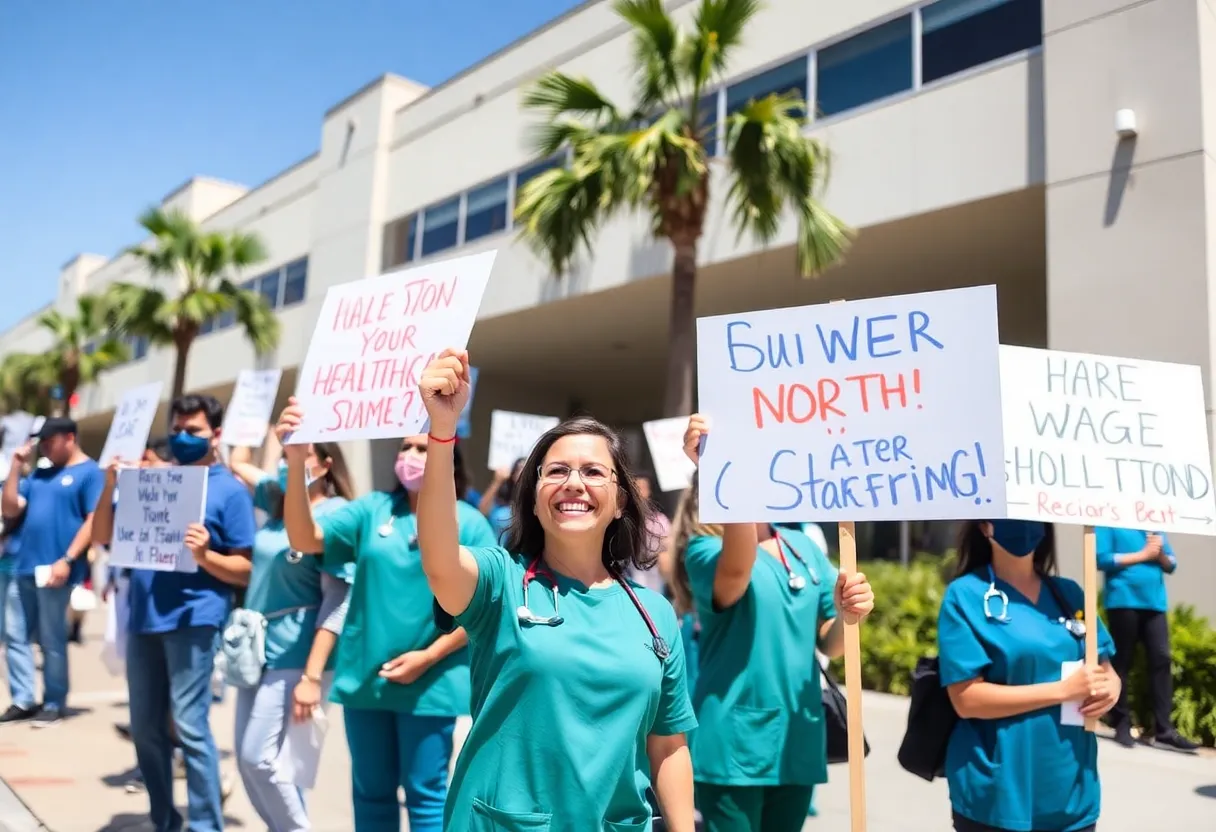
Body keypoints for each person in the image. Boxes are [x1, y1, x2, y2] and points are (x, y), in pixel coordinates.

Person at [416, 349, 697, 832]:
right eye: (556, 471)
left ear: (619, 501)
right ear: (535, 496)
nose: (574, 483)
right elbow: (441, 562)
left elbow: (668, 744)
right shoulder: (501, 584)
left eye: (592, 472)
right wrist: (442, 431)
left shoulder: (655, 614)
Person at [276, 397, 497, 832]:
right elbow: (305, 535)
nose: (412, 457)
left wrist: (428, 657)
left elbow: (486, 608)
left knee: (427, 798)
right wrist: (297, 458)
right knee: (370, 795)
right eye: (405, 448)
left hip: (431, 685)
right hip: (366, 682)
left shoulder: (469, 522)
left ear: (446, 452)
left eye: (422, 447)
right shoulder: (373, 510)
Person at [671, 414, 874, 832]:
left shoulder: (803, 546)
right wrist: (718, 465)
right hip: (734, 747)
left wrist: (851, 613)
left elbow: (829, 642)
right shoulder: (704, 552)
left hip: (797, 742)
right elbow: (739, 568)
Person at [93, 394, 257, 832]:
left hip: (194, 619)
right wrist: (111, 485)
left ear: (216, 435)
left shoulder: (230, 491)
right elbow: (103, 536)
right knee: (145, 727)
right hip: (144, 617)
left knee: (189, 725)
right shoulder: (150, 483)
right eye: (178, 430)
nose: (183, 438)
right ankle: (164, 820)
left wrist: (206, 557)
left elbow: (245, 569)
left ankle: (205, 824)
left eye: (195, 431)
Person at [938, 519, 1120, 832]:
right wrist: (1062, 691)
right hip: (998, 795)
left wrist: (1110, 690)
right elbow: (966, 699)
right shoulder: (965, 596)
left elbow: (1107, 671)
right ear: (984, 526)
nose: (1023, 526)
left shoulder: (1070, 594)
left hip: (1071, 791)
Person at [228, 427, 356, 830]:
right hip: (257, 650)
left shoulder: (335, 516)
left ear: (327, 464)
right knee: (248, 762)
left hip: (297, 654)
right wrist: (257, 424)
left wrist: (312, 676)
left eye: (300, 455)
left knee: (258, 758)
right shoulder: (278, 499)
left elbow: (339, 600)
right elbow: (237, 463)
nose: (288, 463)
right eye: (284, 456)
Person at [0, 417, 104, 727]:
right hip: (24, 567)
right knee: (14, 636)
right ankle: (23, 698)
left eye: (50, 439)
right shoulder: (41, 475)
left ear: (69, 438)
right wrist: (16, 467)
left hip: (55, 570)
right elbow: (10, 508)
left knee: (51, 639)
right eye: (41, 440)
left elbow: (92, 520)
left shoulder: (89, 473)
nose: (44, 445)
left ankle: (55, 701)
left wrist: (69, 559)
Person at [1094, 526, 1198, 751]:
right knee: (1122, 661)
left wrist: (1158, 553)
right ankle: (1121, 723)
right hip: (1123, 599)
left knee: (1161, 658)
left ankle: (1164, 730)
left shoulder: (1153, 524)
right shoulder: (1109, 520)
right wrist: (1144, 555)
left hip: (1154, 602)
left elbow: (1172, 564)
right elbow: (1101, 559)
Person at [626, 470, 670, 596]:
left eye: (642, 488)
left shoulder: (659, 521)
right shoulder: (621, 519)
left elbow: (666, 550)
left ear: (649, 491)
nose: (639, 492)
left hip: (653, 578)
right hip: (628, 576)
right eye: (635, 488)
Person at [478, 457, 525, 542]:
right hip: (493, 550)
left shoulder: (534, 504)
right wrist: (497, 481)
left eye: (526, 468)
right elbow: (482, 511)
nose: (522, 472)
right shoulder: (501, 500)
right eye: (519, 468)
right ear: (513, 474)